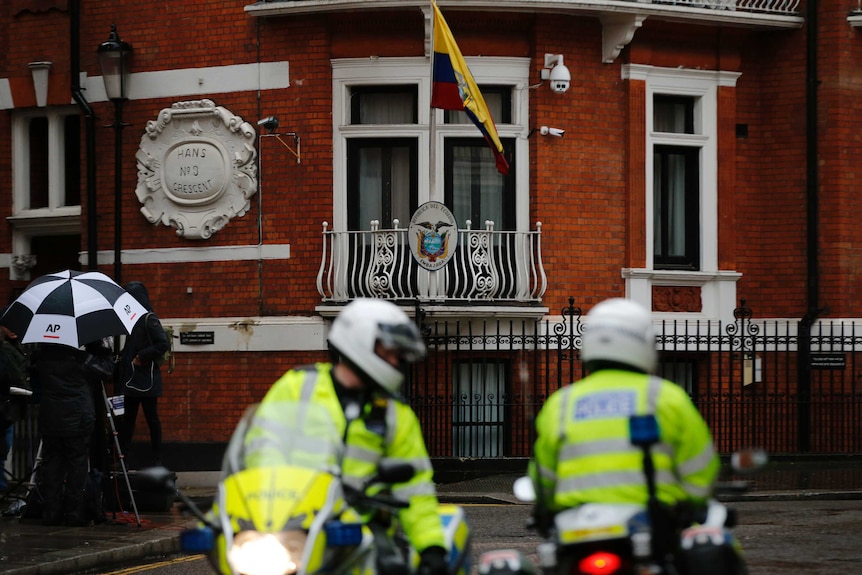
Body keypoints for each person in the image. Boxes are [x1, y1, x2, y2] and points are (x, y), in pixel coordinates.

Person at [529, 298, 726, 570]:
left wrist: (546, 509)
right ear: (644, 344)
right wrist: (694, 504)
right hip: (653, 526)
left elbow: (543, 475)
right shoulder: (666, 397)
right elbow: (700, 467)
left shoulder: (561, 403)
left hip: (578, 533)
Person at [259, 298, 450, 575]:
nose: (396, 362)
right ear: (361, 339)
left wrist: (432, 547)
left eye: (398, 355)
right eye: (390, 352)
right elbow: (260, 452)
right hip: (290, 525)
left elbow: (416, 488)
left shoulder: (396, 414)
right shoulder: (297, 388)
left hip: (362, 529)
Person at [30, 337, 111, 526]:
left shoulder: (41, 357)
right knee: (77, 466)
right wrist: (103, 350)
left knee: (52, 466)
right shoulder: (80, 358)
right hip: (77, 419)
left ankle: (51, 513)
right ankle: (73, 513)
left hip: (51, 418)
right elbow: (107, 371)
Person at [117, 281, 169, 467]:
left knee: (151, 419)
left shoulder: (149, 319)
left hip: (147, 380)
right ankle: (124, 458)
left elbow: (163, 344)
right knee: (128, 420)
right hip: (132, 380)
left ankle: (157, 459)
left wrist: (141, 356)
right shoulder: (134, 320)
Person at [0, 320, 30, 494]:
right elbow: (12, 375)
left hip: (9, 404)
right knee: (4, 446)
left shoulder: (14, 346)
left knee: (5, 446)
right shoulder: (7, 350)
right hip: (7, 404)